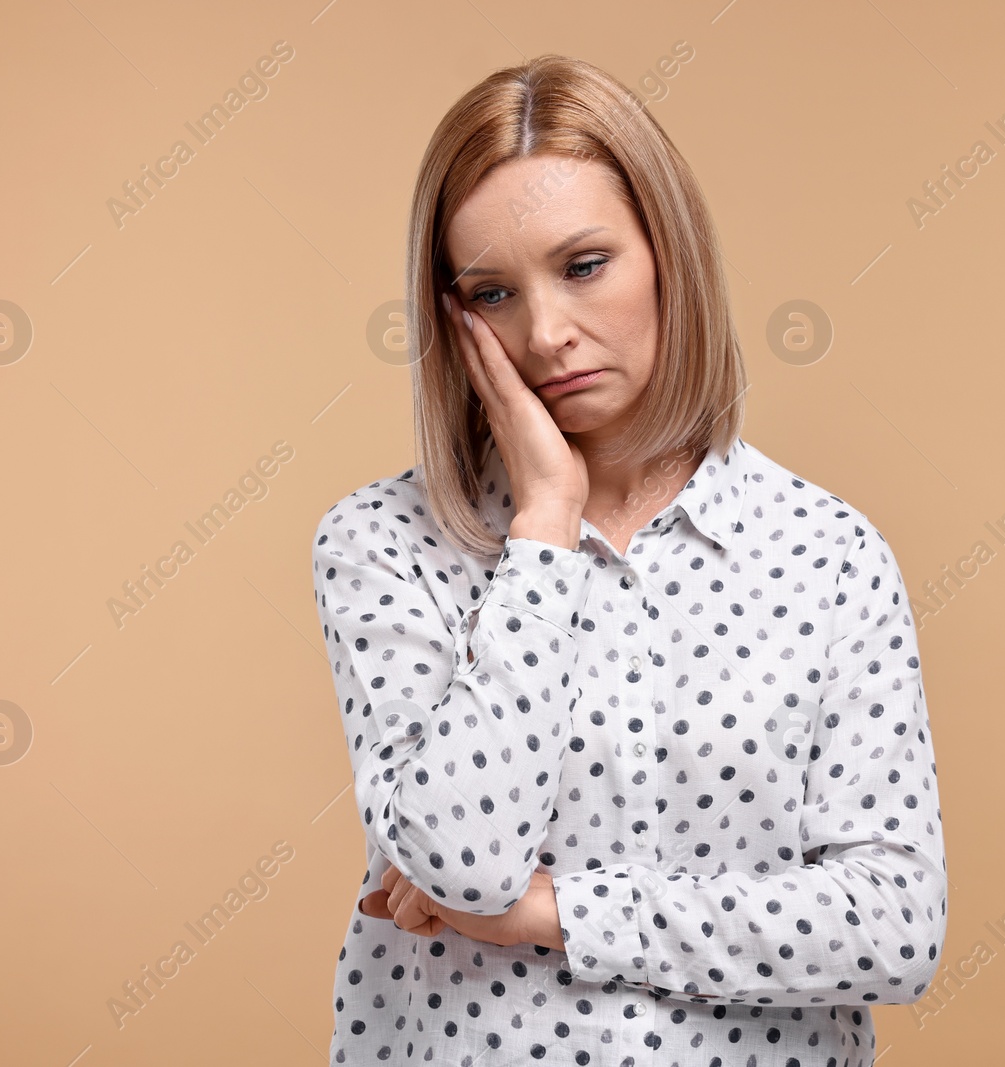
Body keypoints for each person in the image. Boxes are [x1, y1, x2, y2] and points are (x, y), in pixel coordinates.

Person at [312, 53, 947, 1066]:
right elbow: (461, 864)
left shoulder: (826, 555)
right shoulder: (384, 543)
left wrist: (558, 909)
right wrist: (546, 526)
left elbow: (893, 925)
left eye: (583, 265)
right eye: (492, 292)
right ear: (451, 318)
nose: (548, 333)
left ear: (667, 251)